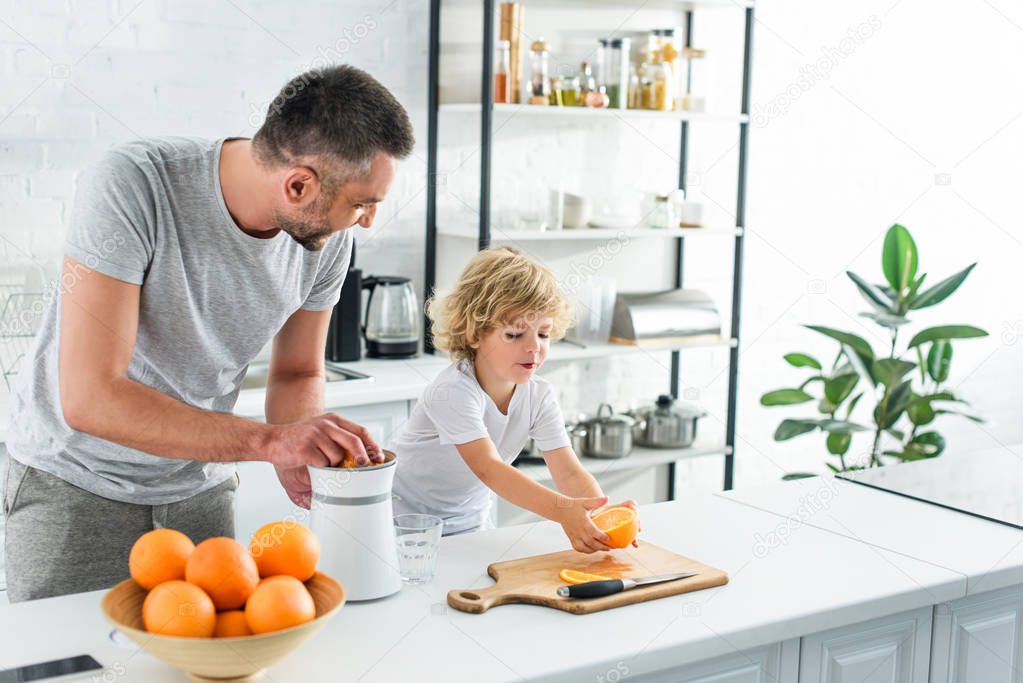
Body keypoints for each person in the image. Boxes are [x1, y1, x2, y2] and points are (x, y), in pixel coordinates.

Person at [2, 65, 414, 602]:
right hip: (75, 485)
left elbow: (298, 371)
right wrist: (271, 442)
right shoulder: (135, 184)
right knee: (75, 670)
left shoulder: (324, 236)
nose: (366, 222)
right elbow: (91, 398)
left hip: (199, 489)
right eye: (362, 204)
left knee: (207, 664)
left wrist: (301, 446)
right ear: (298, 184)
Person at [390, 247, 634, 552]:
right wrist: (562, 512)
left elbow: (569, 472)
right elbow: (488, 468)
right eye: (516, 334)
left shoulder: (539, 396)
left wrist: (598, 518)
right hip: (404, 522)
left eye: (543, 334)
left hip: (470, 522)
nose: (534, 347)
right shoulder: (453, 391)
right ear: (474, 334)